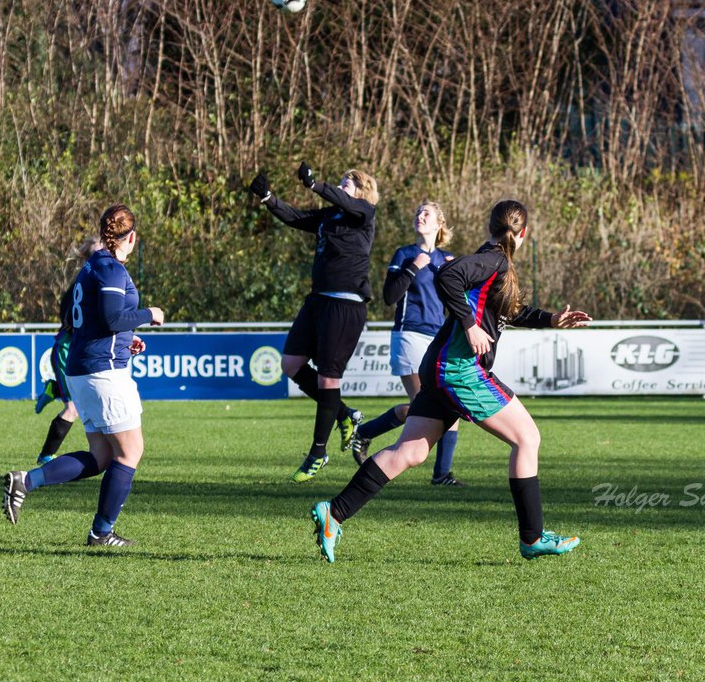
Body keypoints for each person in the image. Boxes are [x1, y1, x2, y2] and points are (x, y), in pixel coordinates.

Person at [310, 199, 591, 563]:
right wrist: (470, 326)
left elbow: (509, 312)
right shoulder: (495, 259)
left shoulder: (493, 261)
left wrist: (551, 320)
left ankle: (334, 513)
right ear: (525, 233)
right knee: (527, 438)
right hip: (458, 370)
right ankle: (532, 537)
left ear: (491, 226)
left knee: (410, 452)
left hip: (440, 367)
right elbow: (448, 276)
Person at [2, 204, 164, 547]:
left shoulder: (93, 265)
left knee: (102, 457)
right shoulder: (111, 270)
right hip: (101, 373)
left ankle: (25, 482)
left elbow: (99, 321)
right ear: (131, 237)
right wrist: (149, 314)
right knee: (130, 451)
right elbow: (109, 319)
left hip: (86, 368)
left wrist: (126, 339)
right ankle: (101, 532)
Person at [249, 161, 375, 482]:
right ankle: (345, 414)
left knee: (328, 379)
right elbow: (296, 217)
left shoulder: (363, 214)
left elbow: (346, 201)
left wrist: (316, 184)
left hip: (345, 305)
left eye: (346, 184)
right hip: (317, 301)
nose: (340, 189)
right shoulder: (329, 216)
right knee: (290, 364)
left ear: (360, 193)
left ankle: (318, 453)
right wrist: (268, 198)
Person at [348, 201, 465, 485]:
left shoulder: (447, 259)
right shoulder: (405, 254)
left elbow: (458, 302)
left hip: (437, 339)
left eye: (426, 213)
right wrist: (413, 268)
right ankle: (365, 435)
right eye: (417, 212)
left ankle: (440, 475)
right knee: (422, 407)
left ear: (439, 224)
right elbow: (389, 296)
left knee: (450, 407)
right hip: (409, 335)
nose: (419, 216)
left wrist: (458, 276)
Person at [34, 235, 102, 465]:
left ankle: (53, 389)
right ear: (88, 258)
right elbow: (69, 320)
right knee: (72, 408)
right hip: (66, 350)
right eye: (95, 253)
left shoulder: (95, 282)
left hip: (79, 350)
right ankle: (45, 456)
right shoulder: (82, 286)